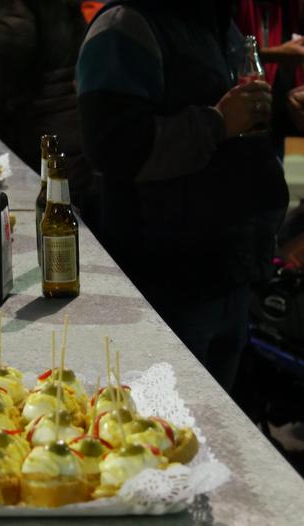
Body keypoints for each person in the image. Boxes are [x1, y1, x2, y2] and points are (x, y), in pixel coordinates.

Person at [76, 0, 289, 391]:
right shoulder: (125, 26)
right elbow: (112, 147)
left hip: (231, 272)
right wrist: (217, 122)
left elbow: (236, 128)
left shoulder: (218, 23)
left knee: (219, 420)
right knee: (164, 417)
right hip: (168, 283)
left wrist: (284, 115)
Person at [0, 0, 99, 230]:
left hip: (44, 121)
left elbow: (9, 41)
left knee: (55, 221)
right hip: (67, 116)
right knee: (65, 216)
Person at [234, 1, 304, 148]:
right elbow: (232, 53)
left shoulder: (290, 8)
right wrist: (273, 54)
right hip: (246, 127)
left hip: (286, 126)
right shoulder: (235, 8)